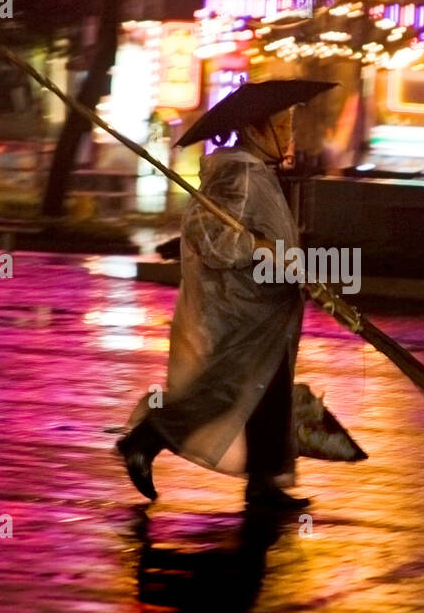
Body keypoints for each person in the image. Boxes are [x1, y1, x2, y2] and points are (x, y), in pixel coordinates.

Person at [117, 103, 311, 513]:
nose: (288, 134)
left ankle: (263, 481)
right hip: (240, 311)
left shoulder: (258, 173)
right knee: (224, 391)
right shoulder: (238, 174)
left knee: (269, 394)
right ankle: (144, 440)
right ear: (256, 130)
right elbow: (208, 232)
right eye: (280, 125)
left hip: (266, 310)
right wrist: (256, 247)